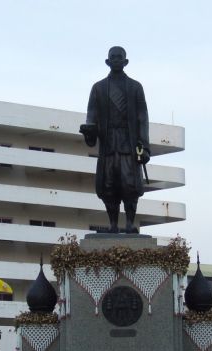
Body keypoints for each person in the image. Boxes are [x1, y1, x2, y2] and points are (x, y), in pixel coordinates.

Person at [80, 46, 150, 234]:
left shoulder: (135, 87)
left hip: (129, 142)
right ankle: (112, 224)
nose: (116, 60)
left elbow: (142, 118)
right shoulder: (98, 88)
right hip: (108, 142)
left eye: (120, 57)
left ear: (125, 61)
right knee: (109, 184)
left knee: (129, 184)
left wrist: (145, 146)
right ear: (108, 61)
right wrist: (89, 130)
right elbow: (91, 115)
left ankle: (129, 223)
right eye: (113, 57)